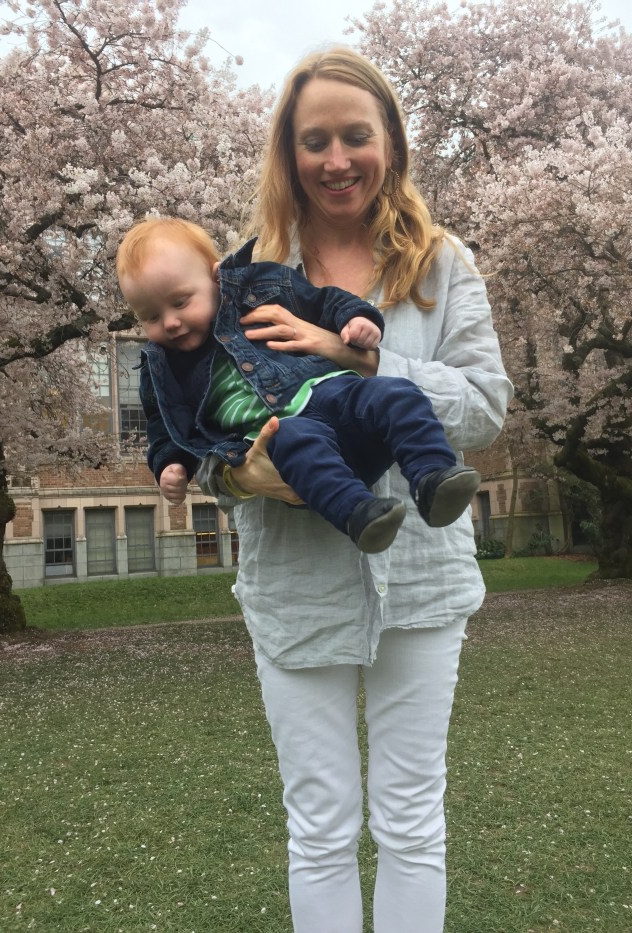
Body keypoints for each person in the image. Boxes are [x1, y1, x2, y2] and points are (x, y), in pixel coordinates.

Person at [197, 47, 513, 933]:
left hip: (421, 575)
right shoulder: (237, 280)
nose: (337, 160)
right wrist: (245, 475)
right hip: (295, 584)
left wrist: (362, 358)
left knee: (412, 818)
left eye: (355, 136)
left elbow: (485, 408)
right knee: (321, 827)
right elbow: (207, 429)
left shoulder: (441, 266)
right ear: (288, 154)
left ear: (391, 144)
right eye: (315, 141)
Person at [116, 218, 481, 553]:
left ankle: (433, 476)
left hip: (334, 395)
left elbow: (321, 300)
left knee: (395, 393)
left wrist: (356, 318)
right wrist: (169, 465)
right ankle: (360, 514)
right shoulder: (161, 367)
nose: (171, 323)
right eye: (151, 316)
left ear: (216, 277)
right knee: (292, 440)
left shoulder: (260, 286)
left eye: (180, 302)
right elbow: (164, 427)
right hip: (287, 437)